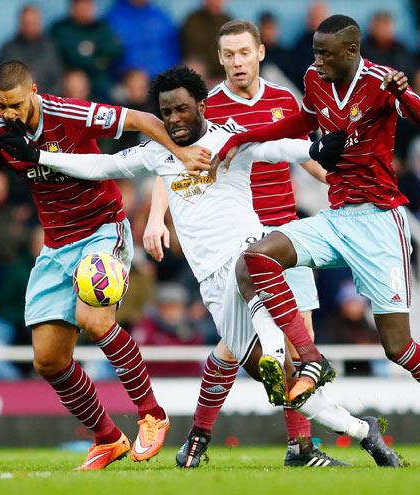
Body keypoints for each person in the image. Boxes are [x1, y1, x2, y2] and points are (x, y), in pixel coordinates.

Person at [0, 65, 400, 470]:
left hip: (248, 256)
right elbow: (102, 167)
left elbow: (279, 146)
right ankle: (364, 431)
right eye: (166, 112)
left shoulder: (229, 139)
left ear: (202, 106)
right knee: (280, 387)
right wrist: (38, 156)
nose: (173, 120)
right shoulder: (158, 153)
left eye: (181, 110)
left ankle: (292, 355)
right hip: (212, 284)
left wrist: (318, 150)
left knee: (255, 282)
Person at [0, 60, 210, 470]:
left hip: (103, 229)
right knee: (48, 359)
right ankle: (107, 438)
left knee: (94, 319)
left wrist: (181, 152)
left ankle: (152, 414)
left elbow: (142, 118)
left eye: (13, 104)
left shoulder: (70, 114)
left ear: (33, 92)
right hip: (57, 245)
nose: (7, 113)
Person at [217, 14, 420, 469]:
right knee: (255, 260)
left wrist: (405, 92)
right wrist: (242, 139)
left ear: (351, 52)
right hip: (337, 217)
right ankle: (309, 356)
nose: (316, 60)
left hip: (380, 223)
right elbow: (302, 120)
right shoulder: (314, 78)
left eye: (325, 53)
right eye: (314, 51)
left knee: (398, 347)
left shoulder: (381, 82)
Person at [143, 19, 332, 468]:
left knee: (278, 341)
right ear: (220, 58)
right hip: (238, 238)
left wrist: (341, 187)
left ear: (260, 52)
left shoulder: (285, 100)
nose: (236, 62)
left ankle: (223, 443)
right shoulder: (207, 107)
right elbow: (171, 161)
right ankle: (288, 447)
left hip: (287, 231)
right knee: (244, 345)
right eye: (228, 55)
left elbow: (305, 156)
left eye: (243, 53)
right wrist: (155, 218)